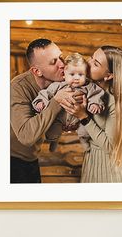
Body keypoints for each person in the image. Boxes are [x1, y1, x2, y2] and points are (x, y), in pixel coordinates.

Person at [9, 38, 83, 183]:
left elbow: (49, 118)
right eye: (53, 62)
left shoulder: (62, 81)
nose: (62, 64)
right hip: (11, 161)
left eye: (60, 57)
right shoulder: (17, 88)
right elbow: (26, 136)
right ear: (37, 71)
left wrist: (67, 123)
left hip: (32, 158)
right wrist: (56, 101)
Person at [65, 45, 122, 183]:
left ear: (108, 75)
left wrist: (83, 117)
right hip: (93, 160)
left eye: (96, 63)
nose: (88, 62)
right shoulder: (88, 88)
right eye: (91, 57)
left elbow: (111, 146)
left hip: (112, 169)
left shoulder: (115, 101)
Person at [32, 52, 105, 151]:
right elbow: (46, 93)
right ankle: (54, 140)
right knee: (52, 131)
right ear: (64, 75)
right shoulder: (58, 86)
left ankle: (84, 141)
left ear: (86, 75)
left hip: (79, 120)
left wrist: (94, 104)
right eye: (72, 74)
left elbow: (96, 95)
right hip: (60, 118)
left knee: (84, 131)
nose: (76, 78)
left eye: (81, 74)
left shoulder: (89, 87)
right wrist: (41, 102)